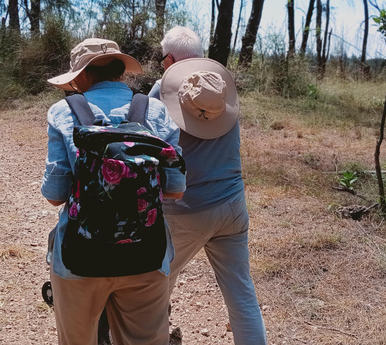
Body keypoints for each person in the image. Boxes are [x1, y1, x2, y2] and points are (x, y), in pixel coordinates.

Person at [41, 37, 186, 345]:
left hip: (80, 257)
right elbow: (175, 190)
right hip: (146, 254)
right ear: (121, 70)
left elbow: (54, 194)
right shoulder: (157, 111)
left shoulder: (62, 112)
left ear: (81, 75)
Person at [150, 26, 268, 345]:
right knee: (241, 294)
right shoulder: (222, 89)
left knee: (158, 279)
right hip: (232, 206)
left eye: (163, 60)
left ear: (171, 59)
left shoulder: (162, 91)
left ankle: (156, 332)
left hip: (184, 210)